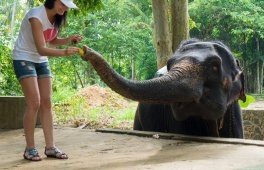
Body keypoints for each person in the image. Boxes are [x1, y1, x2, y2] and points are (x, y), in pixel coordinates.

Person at [12, 0, 82, 161]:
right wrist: (65, 52)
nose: (65, 9)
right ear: (55, 1)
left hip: (41, 60)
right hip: (24, 58)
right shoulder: (35, 16)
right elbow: (41, 48)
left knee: (47, 102)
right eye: (63, 5)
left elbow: (50, 41)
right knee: (34, 103)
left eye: (67, 7)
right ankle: (30, 149)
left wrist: (68, 39)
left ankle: (50, 147)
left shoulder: (56, 17)